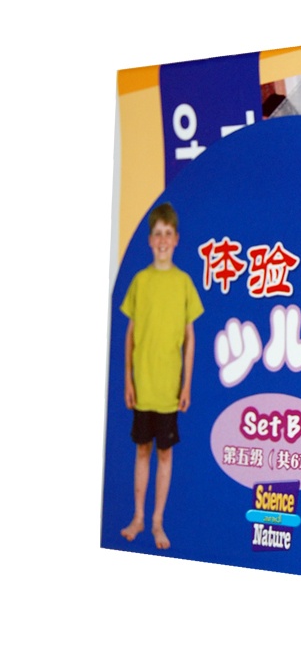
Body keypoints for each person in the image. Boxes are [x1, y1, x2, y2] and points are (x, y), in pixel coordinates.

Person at [119, 202, 204, 549]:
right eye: (158, 234)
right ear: (150, 240)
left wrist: (186, 385)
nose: (163, 239)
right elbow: (130, 333)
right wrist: (128, 379)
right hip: (143, 385)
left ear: (177, 238)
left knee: (165, 453)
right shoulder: (140, 281)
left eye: (168, 233)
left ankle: (157, 522)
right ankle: (138, 517)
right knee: (142, 450)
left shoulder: (184, 283)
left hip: (169, 387)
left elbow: (190, 337)